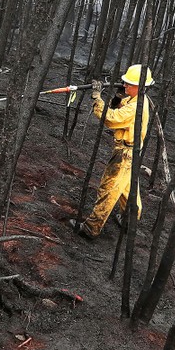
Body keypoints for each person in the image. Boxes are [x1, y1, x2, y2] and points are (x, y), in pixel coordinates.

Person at [70, 64, 153, 239]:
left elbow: (111, 119)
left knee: (109, 190)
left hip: (125, 155)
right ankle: (130, 221)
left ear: (140, 86)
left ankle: (91, 228)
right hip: (133, 153)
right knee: (128, 189)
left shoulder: (136, 107)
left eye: (128, 84)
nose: (124, 86)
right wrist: (117, 99)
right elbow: (121, 106)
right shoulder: (137, 99)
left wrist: (97, 99)